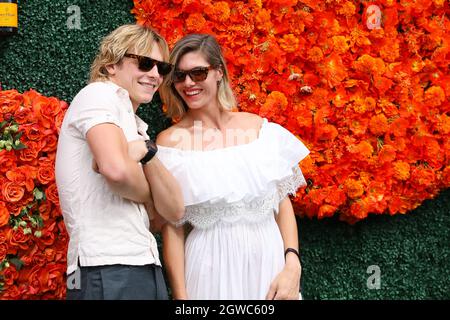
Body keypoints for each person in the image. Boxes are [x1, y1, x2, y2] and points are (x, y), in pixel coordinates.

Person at [155, 34, 310, 300]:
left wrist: (292, 264)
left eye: (198, 73)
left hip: (270, 266)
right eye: (179, 76)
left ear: (218, 73)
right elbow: (173, 228)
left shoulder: (258, 129)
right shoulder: (170, 144)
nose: (188, 83)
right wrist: (182, 299)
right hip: (208, 269)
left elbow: (282, 203)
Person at [55, 24, 184, 300]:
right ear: (112, 64)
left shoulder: (137, 129)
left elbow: (173, 211)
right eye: (145, 63)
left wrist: (144, 152)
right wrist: (152, 197)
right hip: (107, 266)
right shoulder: (99, 96)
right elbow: (116, 170)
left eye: (161, 68)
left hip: (139, 265)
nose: (154, 75)